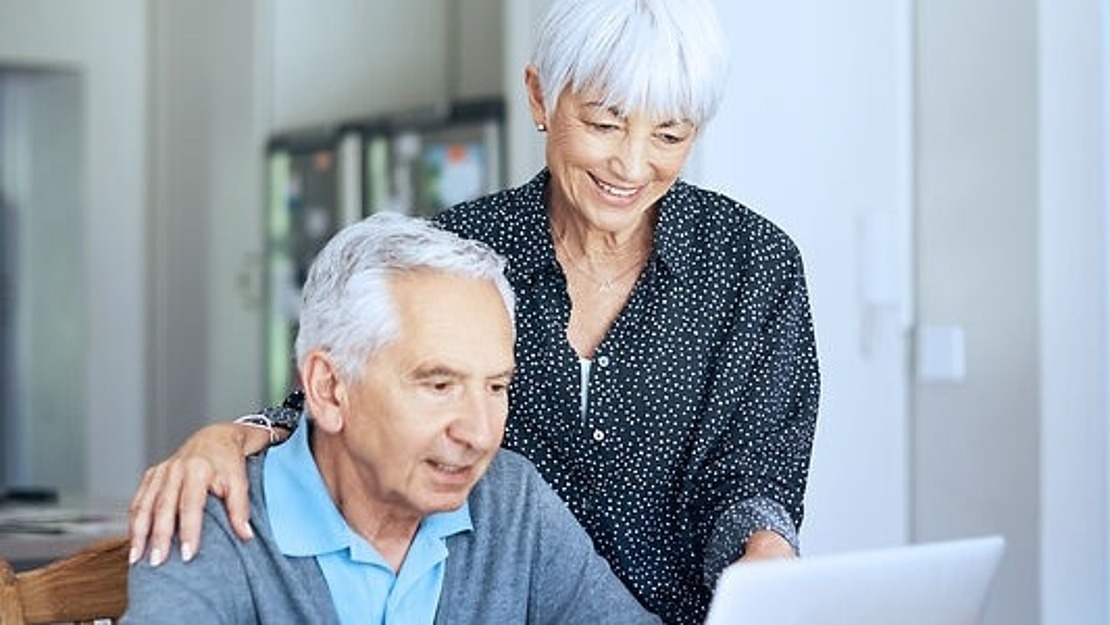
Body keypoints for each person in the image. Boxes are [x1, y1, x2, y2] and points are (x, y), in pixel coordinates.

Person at [128, 0, 820, 622]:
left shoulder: (753, 263)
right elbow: (348, 394)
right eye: (605, 124)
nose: (632, 166)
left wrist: (767, 555)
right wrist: (232, 437)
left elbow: (755, 477)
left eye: (670, 136)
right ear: (540, 96)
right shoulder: (464, 249)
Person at [122, 213, 659, 624]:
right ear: (329, 389)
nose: (477, 433)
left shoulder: (510, 501)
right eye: (438, 384)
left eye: (496, 387)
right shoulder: (211, 518)